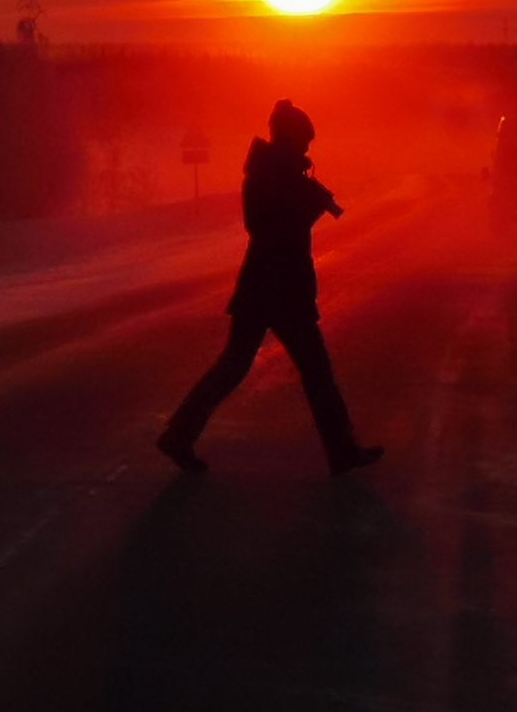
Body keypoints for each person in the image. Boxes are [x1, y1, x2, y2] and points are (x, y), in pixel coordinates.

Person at [156, 100, 384, 476]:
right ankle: (341, 451)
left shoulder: (277, 173)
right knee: (309, 371)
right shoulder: (268, 175)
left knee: (240, 367)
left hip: (269, 287)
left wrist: (308, 197)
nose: (308, 150)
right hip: (276, 287)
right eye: (304, 142)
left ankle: (178, 436)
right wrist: (309, 206)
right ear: (290, 139)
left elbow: (281, 221)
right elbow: (266, 228)